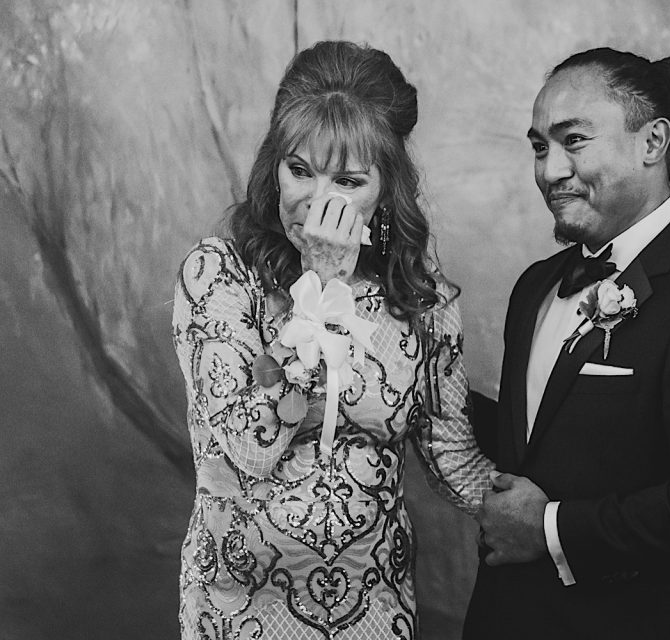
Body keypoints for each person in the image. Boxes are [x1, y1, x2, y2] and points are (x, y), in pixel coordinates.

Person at [172, 40, 493, 639]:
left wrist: (560, 518)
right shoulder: (219, 273)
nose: (317, 202)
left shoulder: (420, 295)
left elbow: (451, 454)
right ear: (274, 166)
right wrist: (319, 281)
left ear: (386, 190)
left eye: (347, 180)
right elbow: (251, 447)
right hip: (241, 612)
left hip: (372, 614)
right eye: (299, 170)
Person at [463, 47, 670, 639]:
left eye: (574, 140)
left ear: (652, 142)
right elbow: (542, 441)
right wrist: (414, 387)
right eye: (539, 146)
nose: (550, 169)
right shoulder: (535, 286)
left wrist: (550, 530)